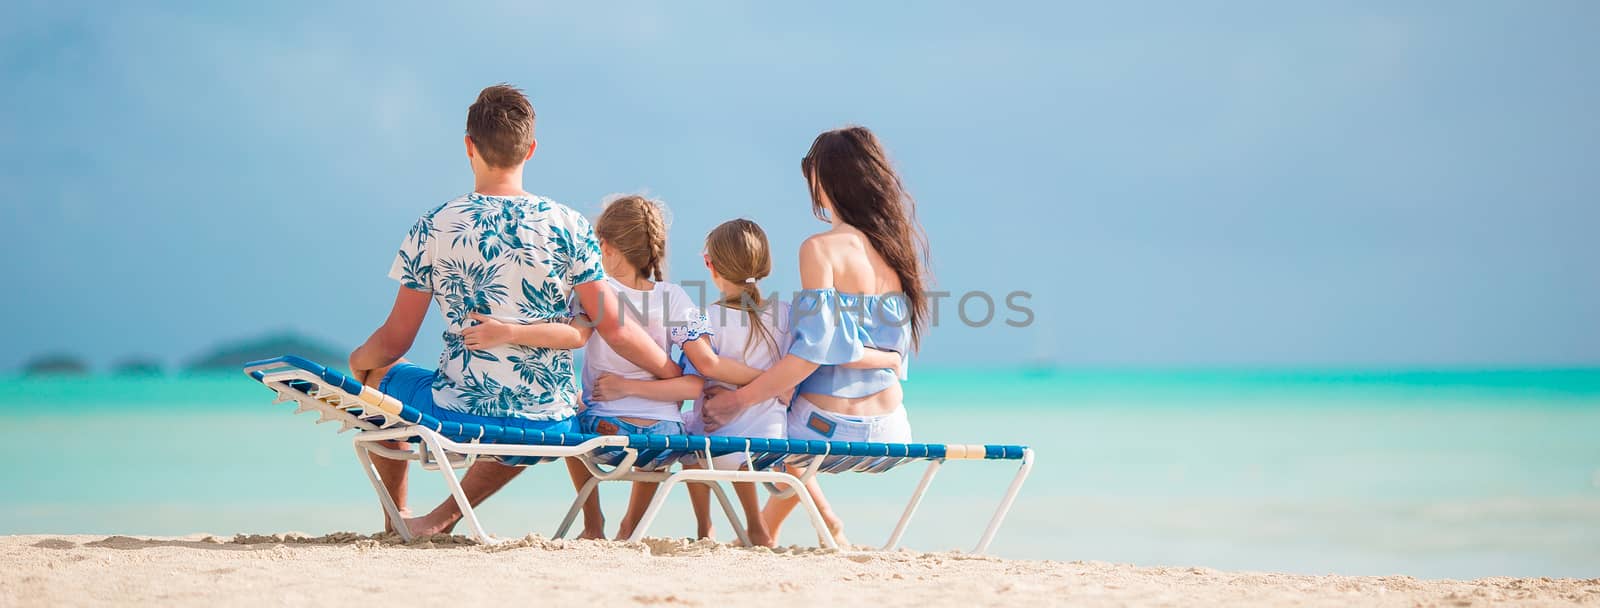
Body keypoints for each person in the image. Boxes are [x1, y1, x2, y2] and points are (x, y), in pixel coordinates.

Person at [346, 84, 679, 536]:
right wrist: (668, 373)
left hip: (457, 409)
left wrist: (357, 364)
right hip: (549, 416)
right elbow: (615, 329)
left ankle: (396, 520)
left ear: (469, 146)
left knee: (379, 376)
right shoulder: (570, 225)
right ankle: (437, 518)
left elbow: (394, 341)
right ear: (531, 149)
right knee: (523, 416)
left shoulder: (435, 224)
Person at [701, 126, 930, 546]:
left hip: (828, 430)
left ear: (824, 181)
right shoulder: (897, 254)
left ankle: (821, 524)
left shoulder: (820, 249)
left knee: (760, 416)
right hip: (893, 430)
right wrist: (876, 358)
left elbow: (813, 352)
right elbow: (891, 356)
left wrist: (736, 399)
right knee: (783, 403)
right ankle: (777, 528)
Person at [486, 195, 704, 541]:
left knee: (568, 410)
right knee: (658, 439)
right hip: (667, 441)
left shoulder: (594, 292)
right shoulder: (676, 296)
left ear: (603, 246)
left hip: (609, 435)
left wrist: (510, 332)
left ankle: (593, 523)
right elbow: (697, 378)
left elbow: (576, 337)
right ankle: (630, 527)